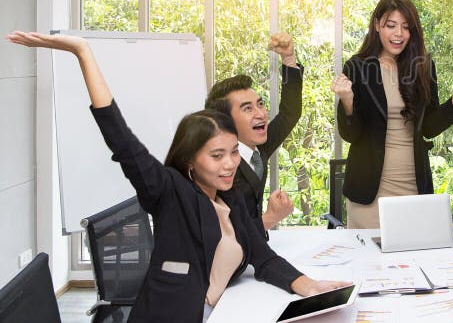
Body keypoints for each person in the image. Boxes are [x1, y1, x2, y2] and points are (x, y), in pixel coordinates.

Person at [6, 31, 348, 322]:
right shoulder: (171, 192)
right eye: (217, 156)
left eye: (232, 152)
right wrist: (83, 52)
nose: (230, 164)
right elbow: (121, 138)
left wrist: (310, 287)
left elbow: (263, 256)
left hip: (224, 309)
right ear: (190, 160)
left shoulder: (230, 199)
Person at [331, 0, 453, 228]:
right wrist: (347, 100)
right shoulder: (357, 66)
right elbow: (351, 135)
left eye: (406, 28)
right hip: (370, 191)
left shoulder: (423, 66)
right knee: (370, 262)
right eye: (391, 25)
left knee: (412, 258)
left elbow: (429, 128)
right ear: (377, 25)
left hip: (413, 185)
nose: (399, 34)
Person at [205, 32, 300, 234]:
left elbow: (289, 114)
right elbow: (225, 234)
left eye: (260, 104)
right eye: (247, 109)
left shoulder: (256, 147)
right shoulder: (217, 168)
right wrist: (271, 218)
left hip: (251, 254)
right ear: (225, 121)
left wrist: (289, 59)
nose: (261, 114)